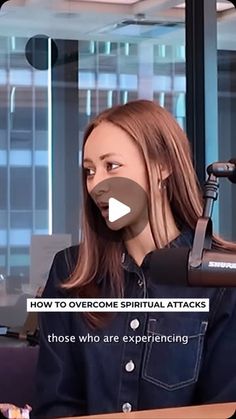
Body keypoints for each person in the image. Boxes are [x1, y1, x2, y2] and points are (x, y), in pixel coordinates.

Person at [34, 100, 236, 418]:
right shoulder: (69, 272)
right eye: (89, 171)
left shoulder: (222, 279)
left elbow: (223, 407)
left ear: (162, 166)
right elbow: (56, 404)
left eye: (111, 166)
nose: (95, 185)